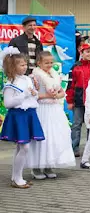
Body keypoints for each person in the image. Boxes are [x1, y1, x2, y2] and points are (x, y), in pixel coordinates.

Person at [1, 49, 45, 188]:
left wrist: (34, 93)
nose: (25, 67)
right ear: (12, 66)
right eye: (21, 65)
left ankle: (16, 176)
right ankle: (17, 178)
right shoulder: (10, 83)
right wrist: (24, 95)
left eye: (26, 64)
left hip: (29, 114)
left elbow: (34, 97)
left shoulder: (27, 79)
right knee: (24, 147)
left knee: (22, 147)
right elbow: (8, 103)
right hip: (18, 116)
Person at [28, 51, 75, 179]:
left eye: (51, 62)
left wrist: (58, 95)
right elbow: (33, 95)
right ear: (39, 63)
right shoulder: (35, 76)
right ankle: (36, 167)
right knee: (42, 137)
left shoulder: (55, 75)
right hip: (42, 109)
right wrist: (48, 95)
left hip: (54, 109)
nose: (49, 65)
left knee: (54, 137)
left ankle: (49, 165)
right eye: (46, 62)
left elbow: (61, 92)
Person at [67, 43, 90, 156]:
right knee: (76, 124)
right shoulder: (75, 67)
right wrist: (69, 100)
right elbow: (70, 85)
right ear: (81, 53)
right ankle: (74, 148)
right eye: (87, 52)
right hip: (78, 100)